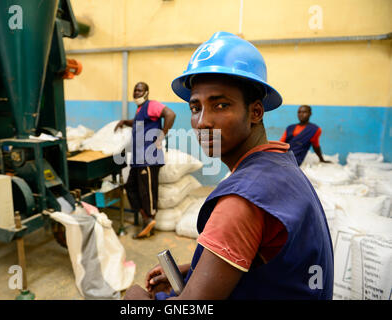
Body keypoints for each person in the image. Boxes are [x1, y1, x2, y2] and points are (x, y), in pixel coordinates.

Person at [124, 32, 333, 300]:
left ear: (256, 112)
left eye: (221, 105)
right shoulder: (280, 162)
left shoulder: (241, 200)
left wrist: (133, 297)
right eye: (196, 107)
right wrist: (194, 272)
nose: (202, 122)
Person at [115, 82, 176, 239]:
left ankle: (149, 221)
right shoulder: (140, 110)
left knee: (147, 192)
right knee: (130, 187)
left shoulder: (152, 105)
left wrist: (161, 136)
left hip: (149, 158)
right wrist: (124, 122)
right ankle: (146, 219)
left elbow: (170, 114)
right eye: (135, 89)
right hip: (138, 159)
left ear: (146, 92)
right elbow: (137, 123)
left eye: (139, 90)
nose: (136, 92)